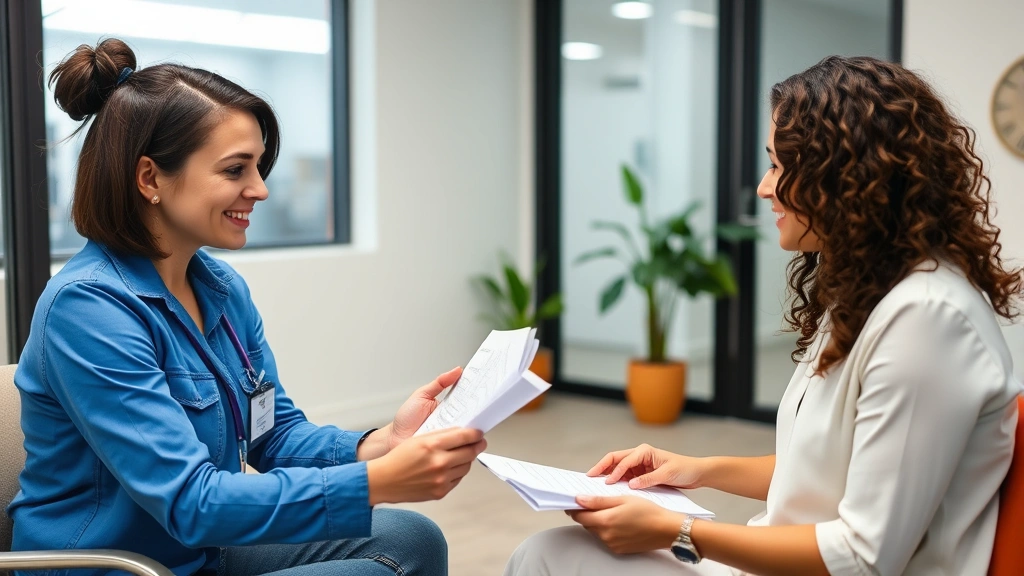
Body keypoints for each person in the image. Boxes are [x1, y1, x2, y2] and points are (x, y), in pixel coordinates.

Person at [505, 55, 1022, 576]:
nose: (763, 187)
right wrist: (694, 470)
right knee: (551, 553)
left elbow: (865, 557)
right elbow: (826, 472)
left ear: (846, 178)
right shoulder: (870, 293)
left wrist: (677, 532)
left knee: (548, 559)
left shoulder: (927, 321)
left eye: (778, 165)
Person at [8, 38, 487, 576]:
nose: (259, 189)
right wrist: (378, 482)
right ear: (150, 179)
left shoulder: (220, 289)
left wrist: (382, 445)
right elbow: (192, 503)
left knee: (411, 539)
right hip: (118, 565)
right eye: (236, 170)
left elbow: (273, 434)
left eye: (258, 167)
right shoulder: (89, 309)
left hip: (192, 552)